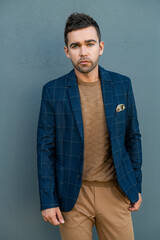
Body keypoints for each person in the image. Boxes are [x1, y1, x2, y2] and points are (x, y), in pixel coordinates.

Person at [37, 12, 142, 240]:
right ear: (67, 51)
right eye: (75, 45)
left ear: (100, 47)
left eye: (89, 44)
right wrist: (48, 200)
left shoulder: (122, 84)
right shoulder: (53, 91)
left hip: (116, 191)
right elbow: (45, 149)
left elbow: (132, 137)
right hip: (72, 195)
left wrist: (136, 184)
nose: (83, 52)